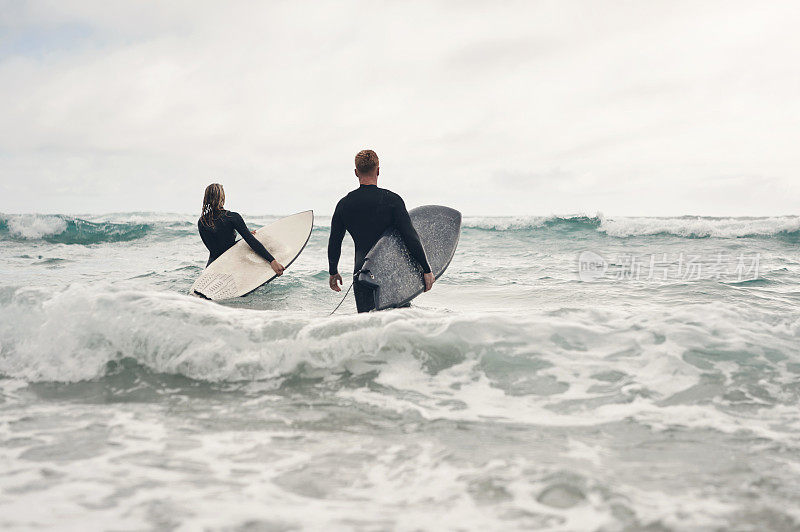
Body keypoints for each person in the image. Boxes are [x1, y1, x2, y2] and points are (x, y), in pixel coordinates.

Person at [328, 150, 434, 313]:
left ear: (356, 172)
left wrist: (333, 272)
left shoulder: (344, 204)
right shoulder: (392, 200)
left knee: (368, 327)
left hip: (362, 274)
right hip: (391, 275)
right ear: (378, 170)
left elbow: (335, 241)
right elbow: (410, 237)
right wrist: (426, 269)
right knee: (396, 326)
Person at [197, 183, 285, 276]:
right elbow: (251, 242)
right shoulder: (231, 217)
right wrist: (272, 261)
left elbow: (216, 249)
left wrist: (241, 240)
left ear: (206, 199)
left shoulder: (202, 221)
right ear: (222, 198)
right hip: (230, 265)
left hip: (212, 267)